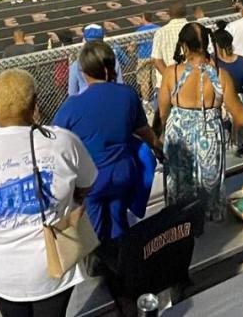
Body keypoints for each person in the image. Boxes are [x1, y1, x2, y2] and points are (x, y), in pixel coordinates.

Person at [0, 69, 97, 317]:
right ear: (34, 104)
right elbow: (87, 183)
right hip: (53, 263)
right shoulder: (63, 141)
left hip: (2, 271)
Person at [158, 22, 243, 221]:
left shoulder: (171, 74)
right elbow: (241, 118)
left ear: (184, 46)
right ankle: (207, 222)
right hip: (210, 139)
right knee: (209, 189)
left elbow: (163, 113)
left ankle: (181, 227)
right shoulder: (220, 76)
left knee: (179, 191)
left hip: (178, 141)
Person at [54, 41, 164, 241]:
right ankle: (122, 263)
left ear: (84, 70)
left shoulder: (71, 107)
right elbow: (145, 132)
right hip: (123, 173)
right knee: (118, 224)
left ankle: (103, 267)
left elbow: (56, 144)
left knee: (95, 233)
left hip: (91, 182)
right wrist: (158, 147)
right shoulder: (127, 95)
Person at [213, 21, 243, 156]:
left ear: (217, 46)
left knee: (225, 140)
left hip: (223, 104)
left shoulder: (214, 65)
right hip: (240, 101)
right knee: (241, 140)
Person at [68, 25, 124, 95]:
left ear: (84, 41)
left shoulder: (76, 65)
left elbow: (72, 93)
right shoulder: (113, 61)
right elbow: (120, 85)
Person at [133, 12, 161, 102]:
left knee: (144, 82)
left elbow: (132, 47)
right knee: (156, 80)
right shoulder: (159, 29)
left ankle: (145, 102)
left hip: (143, 57)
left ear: (144, 18)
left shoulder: (139, 31)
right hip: (156, 56)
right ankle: (157, 99)